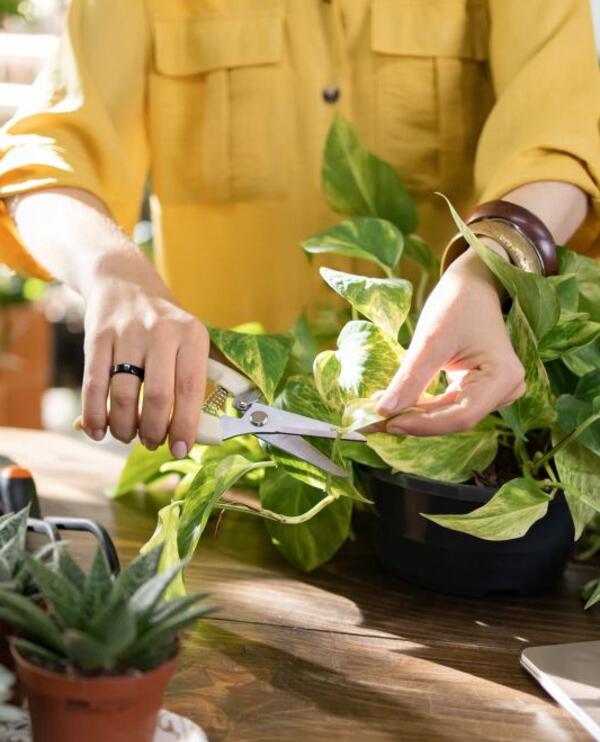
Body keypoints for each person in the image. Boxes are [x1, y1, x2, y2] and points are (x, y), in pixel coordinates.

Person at [0, 0, 598, 458]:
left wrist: (486, 267)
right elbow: (44, 159)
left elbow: (566, 146)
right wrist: (114, 275)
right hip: (226, 454)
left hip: (473, 456)